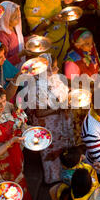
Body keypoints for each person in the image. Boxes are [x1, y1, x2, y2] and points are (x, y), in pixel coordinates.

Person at [27, 53, 73, 184]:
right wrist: (60, 107)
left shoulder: (53, 78)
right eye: (54, 67)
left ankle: (66, 172)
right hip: (49, 126)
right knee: (52, 152)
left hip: (60, 122)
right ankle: (54, 178)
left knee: (63, 149)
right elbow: (40, 113)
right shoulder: (37, 87)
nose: (57, 70)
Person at [24, 0, 74, 68]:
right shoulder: (31, 2)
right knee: (48, 69)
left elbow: (61, 4)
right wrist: (51, 20)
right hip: (46, 43)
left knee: (61, 67)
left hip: (62, 37)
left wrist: (65, 1)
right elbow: (35, 28)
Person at [0, 1, 27, 70]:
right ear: (6, 18)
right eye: (15, 17)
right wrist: (21, 54)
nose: (18, 18)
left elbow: (17, 41)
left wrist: (28, 39)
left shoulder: (12, 27)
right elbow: (2, 63)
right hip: (9, 70)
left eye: (18, 15)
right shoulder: (0, 36)